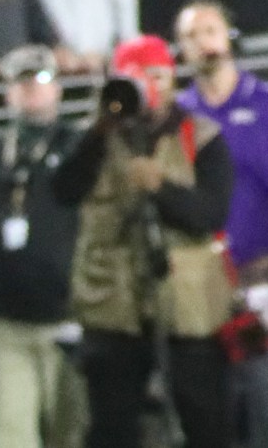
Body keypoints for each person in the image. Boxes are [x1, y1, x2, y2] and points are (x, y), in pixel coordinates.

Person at [53, 34, 236, 448]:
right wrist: (101, 128)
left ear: (171, 77)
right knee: (110, 427)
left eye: (156, 74)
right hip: (112, 305)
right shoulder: (96, 136)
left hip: (188, 305)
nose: (148, 85)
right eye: (135, 76)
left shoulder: (202, 136)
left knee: (206, 421)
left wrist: (162, 187)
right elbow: (62, 191)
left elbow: (211, 215)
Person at [175, 0, 268, 448]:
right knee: (209, 405)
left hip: (261, 269)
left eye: (211, 31)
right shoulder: (179, 113)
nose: (205, 43)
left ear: (229, 37)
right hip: (199, 279)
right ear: (181, 50)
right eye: (193, 35)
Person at [0, 46, 83, 448]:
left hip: (72, 322)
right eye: (21, 83)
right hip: (7, 325)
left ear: (57, 89)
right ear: (8, 92)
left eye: (41, 81)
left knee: (74, 432)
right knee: (10, 436)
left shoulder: (80, 148)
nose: (32, 91)